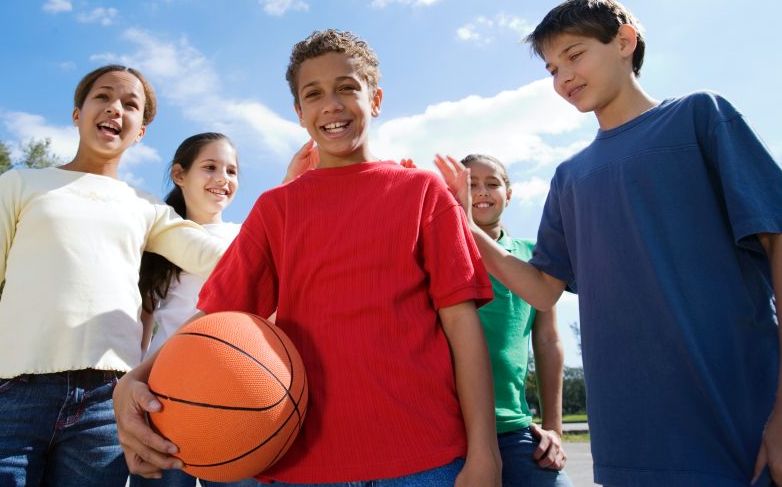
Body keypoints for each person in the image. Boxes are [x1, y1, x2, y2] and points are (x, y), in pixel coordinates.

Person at [435, 0, 782, 487]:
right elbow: (541, 290)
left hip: (745, 426)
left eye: (575, 55)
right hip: (631, 447)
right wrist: (465, 225)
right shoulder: (569, 177)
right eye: (552, 69)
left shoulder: (698, 117)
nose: (563, 78)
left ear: (625, 41)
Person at [114, 30, 502, 486]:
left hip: (425, 456)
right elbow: (215, 318)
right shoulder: (276, 208)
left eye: (347, 88)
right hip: (304, 465)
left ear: (376, 100)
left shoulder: (423, 192)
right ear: (299, 113)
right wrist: (134, 379)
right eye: (313, 94)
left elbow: (462, 324)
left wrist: (486, 453)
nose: (331, 105)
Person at [0, 65, 230, 487]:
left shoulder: (147, 208)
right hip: (7, 399)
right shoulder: (21, 184)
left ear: (140, 131)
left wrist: (289, 189)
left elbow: (223, 258)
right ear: (77, 114)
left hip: (104, 411)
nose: (115, 108)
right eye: (103, 96)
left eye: (130, 105)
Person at [134, 131, 255, 487]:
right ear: (179, 174)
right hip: (165, 396)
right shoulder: (157, 243)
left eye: (231, 171)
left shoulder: (245, 235)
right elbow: (140, 330)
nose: (223, 178)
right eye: (210, 167)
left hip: (237, 392)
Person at [459, 154, 573, 487]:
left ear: (508, 195)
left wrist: (553, 428)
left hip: (512, 427)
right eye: (470, 184)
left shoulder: (533, 258)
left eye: (492, 183)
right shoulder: (437, 251)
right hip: (447, 427)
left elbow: (548, 342)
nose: (482, 191)